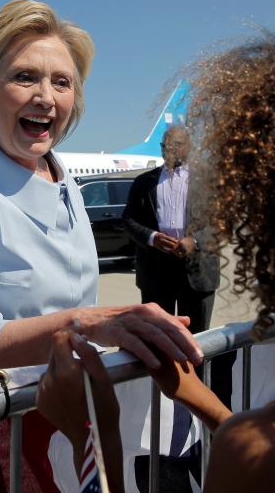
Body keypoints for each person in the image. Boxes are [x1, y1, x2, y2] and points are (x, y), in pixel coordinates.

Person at [0, 0, 202, 492]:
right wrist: (95, 324)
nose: (46, 96)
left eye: (62, 82)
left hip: (56, 422)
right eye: (24, 77)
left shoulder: (63, 182)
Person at [37, 32, 275, 493]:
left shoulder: (251, 449)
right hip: (159, 275)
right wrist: (204, 404)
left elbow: (253, 460)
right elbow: (130, 220)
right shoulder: (251, 438)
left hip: (194, 275)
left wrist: (95, 435)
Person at [123, 125, 220, 336]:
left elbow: (221, 223)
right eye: (165, 145)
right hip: (155, 271)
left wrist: (194, 241)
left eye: (177, 144)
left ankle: (197, 371)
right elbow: (128, 220)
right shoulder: (143, 182)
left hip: (198, 271)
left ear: (189, 146)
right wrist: (152, 237)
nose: (170, 149)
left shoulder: (208, 181)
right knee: (158, 337)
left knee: (197, 338)